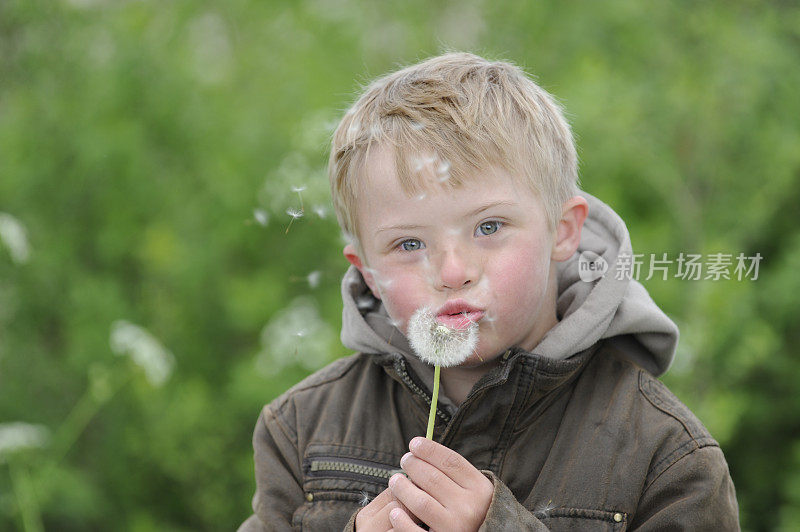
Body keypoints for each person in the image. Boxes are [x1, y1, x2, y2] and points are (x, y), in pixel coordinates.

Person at [239, 52, 740, 531]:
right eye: (409, 243)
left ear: (563, 231)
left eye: (489, 227)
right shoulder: (300, 430)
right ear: (368, 272)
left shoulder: (667, 457)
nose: (453, 271)